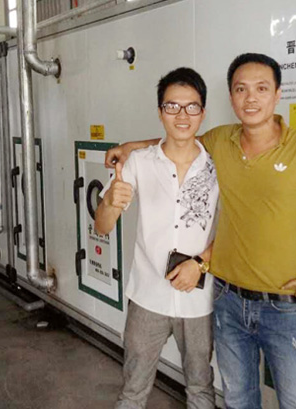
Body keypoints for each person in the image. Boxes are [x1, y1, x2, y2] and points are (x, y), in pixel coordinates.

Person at [104, 53, 296, 409]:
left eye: (261, 88)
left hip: (282, 307)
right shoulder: (220, 141)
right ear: (231, 97)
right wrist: (128, 148)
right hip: (227, 302)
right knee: (238, 402)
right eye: (241, 89)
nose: (251, 98)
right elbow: (178, 138)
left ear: (277, 94)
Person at [95, 67, 218, 409]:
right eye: (172, 106)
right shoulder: (137, 163)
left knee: (201, 387)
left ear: (203, 112)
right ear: (160, 112)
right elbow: (102, 227)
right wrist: (110, 202)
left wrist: (201, 264)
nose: (182, 115)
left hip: (199, 299)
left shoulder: (217, 165)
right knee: (133, 390)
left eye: (192, 107)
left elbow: (234, 230)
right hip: (148, 295)